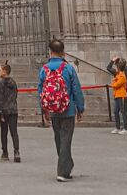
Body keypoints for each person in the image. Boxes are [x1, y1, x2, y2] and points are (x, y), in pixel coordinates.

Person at [38, 39, 85, 183]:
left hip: (53, 109)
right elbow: (76, 89)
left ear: (50, 51)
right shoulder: (68, 68)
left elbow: (40, 90)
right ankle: (63, 171)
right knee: (66, 139)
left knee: (59, 139)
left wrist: (43, 109)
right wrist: (80, 108)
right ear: (63, 52)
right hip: (68, 109)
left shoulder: (44, 69)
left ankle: (66, 166)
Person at [107, 55, 127, 132]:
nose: (115, 66)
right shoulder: (119, 72)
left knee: (126, 109)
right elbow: (108, 68)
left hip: (125, 92)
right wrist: (115, 61)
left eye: (116, 64)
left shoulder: (123, 72)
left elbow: (110, 68)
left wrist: (113, 61)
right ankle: (124, 126)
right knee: (122, 109)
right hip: (121, 92)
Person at [0, 62, 20, 162]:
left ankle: (5, 152)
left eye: (0, 70)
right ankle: (16, 151)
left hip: (5, 110)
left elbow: (0, 98)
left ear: (4, 71)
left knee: (4, 132)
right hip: (13, 109)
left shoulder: (1, 83)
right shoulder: (13, 82)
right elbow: (16, 95)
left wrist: (1, 112)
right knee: (14, 132)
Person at [110, 59, 127, 135]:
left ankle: (126, 128)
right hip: (116, 95)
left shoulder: (122, 76)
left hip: (121, 95)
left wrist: (114, 83)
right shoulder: (118, 75)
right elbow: (114, 82)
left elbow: (116, 84)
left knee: (123, 111)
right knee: (115, 111)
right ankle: (117, 127)